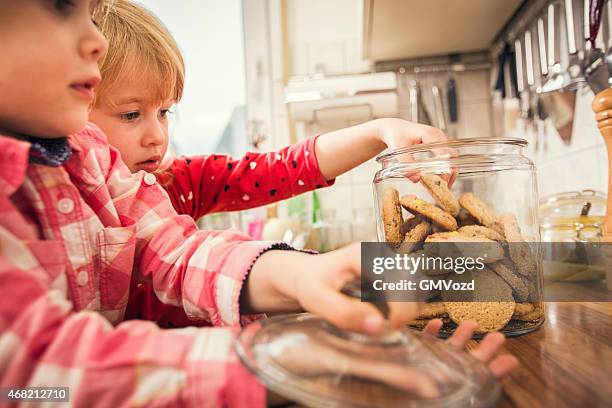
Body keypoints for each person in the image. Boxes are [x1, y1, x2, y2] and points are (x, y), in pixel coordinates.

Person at [0, 1, 517, 406]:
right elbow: (30, 383)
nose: (93, 38)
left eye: (165, 114)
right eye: (132, 114)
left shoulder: (93, 162)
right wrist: (286, 367)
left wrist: (299, 276)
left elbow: (189, 244)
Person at [88, 0, 455, 327]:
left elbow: (280, 169)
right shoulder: (68, 217)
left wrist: (378, 130)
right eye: (132, 114)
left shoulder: (178, 184)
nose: (157, 134)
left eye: (164, 112)